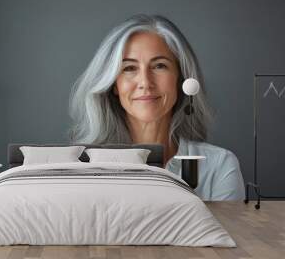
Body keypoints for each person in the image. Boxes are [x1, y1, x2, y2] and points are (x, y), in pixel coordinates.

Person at [68, 14, 245, 201]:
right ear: (114, 84)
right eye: (129, 68)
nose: (145, 82)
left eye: (159, 66)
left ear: (181, 79)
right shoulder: (83, 169)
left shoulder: (219, 166)